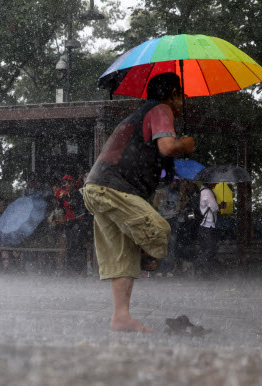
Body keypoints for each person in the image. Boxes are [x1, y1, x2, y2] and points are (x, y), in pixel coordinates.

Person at [82, 73, 195, 332]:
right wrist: (184, 144)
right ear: (174, 94)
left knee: (123, 256)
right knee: (159, 230)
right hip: (115, 188)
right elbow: (167, 147)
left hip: (95, 187)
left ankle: (120, 316)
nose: (183, 103)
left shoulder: (137, 116)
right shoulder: (161, 108)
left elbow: (157, 158)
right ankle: (145, 254)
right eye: (182, 96)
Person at [56, 175, 88, 275]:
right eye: (64, 183)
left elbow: (74, 205)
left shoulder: (77, 193)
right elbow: (60, 205)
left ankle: (80, 269)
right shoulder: (63, 193)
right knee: (70, 245)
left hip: (78, 222)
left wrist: (65, 199)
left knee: (79, 245)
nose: (66, 185)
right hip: (69, 222)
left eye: (68, 183)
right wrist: (61, 198)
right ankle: (70, 269)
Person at [196, 182, 226, 275]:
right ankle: (197, 264)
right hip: (208, 225)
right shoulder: (208, 192)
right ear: (208, 182)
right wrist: (220, 206)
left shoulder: (201, 191)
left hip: (202, 225)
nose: (216, 183)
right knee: (210, 249)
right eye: (214, 182)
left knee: (206, 248)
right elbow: (214, 208)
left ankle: (205, 271)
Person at [153, 178, 181, 276]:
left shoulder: (178, 193)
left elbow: (180, 206)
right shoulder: (160, 192)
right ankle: (160, 268)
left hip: (173, 220)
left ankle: (168, 269)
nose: (176, 183)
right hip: (162, 219)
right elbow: (155, 205)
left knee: (171, 245)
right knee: (162, 244)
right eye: (175, 181)